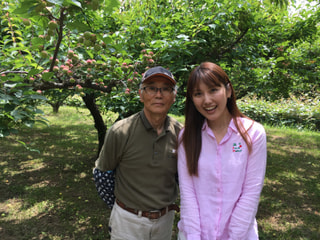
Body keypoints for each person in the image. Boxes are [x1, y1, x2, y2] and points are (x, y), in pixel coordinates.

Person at [177, 62, 267, 240]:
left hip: (240, 235)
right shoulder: (186, 137)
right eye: (198, 94)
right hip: (194, 234)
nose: (207, 100)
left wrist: (234, 236)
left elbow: (251, 192)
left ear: (228, 90)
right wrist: (194, 236)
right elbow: (188, 194)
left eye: (213, 90)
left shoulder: (253, 133)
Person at [94, 66, 183, 240]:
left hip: (165, 220)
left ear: (174, 96)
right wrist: (120, 208)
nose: (159, 94)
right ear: (141, 94)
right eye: (151, 88)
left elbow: (181, 177)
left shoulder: (181, 133)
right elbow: (102, 174)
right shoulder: (121, 131)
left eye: (166, 89)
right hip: (128, 221)